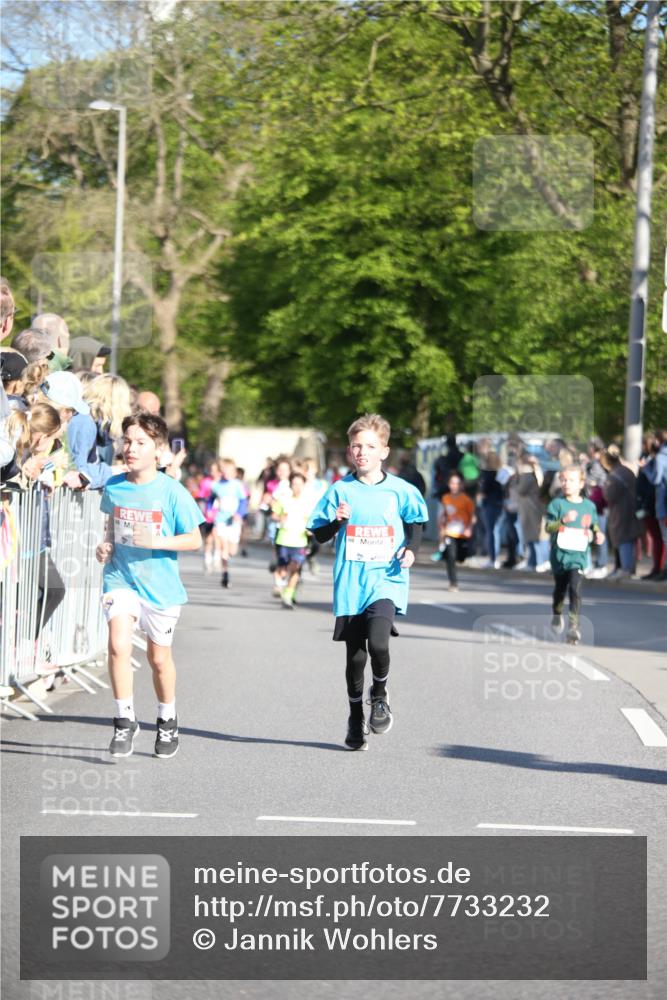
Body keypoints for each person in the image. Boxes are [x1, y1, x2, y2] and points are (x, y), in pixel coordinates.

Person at [308, 413, 428, 751]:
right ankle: (354, 716)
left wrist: (411, 550)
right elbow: (319, 534)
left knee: (378, 643)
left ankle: (379, 695)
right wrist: (336, 522)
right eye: (357, 446)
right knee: (356, 657)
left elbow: (416, 523)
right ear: (350, 451)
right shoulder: (340, 490)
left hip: (386, 578)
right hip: (351, 582)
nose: (362, 452)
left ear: (384, 451)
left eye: (370, 446)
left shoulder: (400, 490)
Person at [95, 412, 204, 759]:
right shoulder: (115, 486)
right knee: (118, 645)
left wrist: (156, 541)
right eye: (127, 441)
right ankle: (124, 720)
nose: (131, 448)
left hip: (160, 587)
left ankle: (167, 718)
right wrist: (105, 545)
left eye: (140, 442)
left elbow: (194, 539)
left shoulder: (172, 491)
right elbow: (110, 527)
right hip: (120, 578)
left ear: (158, 450)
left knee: (159, 659)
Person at [545, 466, 605, 645]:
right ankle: (557, 613)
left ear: (581, 483)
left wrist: (598, 534)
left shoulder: (589, 506)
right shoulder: (557, 504)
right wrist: (563, 521)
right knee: (560, 591)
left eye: (571, 480)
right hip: (560, 556)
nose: (566, 484)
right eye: (563, 480)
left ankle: (574, 626)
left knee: (575, 589)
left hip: (578, 556)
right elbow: (548, 527)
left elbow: (594, 524)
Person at [272, 470, 312, 608]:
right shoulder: (284, 500)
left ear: (304, 485)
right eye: (295, 484)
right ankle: (280, 585)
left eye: (300, 484)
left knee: (296, 568)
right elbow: (274, 515)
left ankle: (288, 595)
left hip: (300, 541)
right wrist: (280, 518)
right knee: (282, 570)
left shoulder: (308, 502)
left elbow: (313, 520)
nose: (297, 487)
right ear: (290, 485)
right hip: (283, 539)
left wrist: (311, 529)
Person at [600, 445, 639, 579]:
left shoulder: (614, 475)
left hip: (620, 511)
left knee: (622, 538)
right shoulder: (627, 471)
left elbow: (609, 495)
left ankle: (625, 568)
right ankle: (628, 568)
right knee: (629, 539)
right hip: (632, 508)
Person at [435, 472, 475, 591]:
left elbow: (473, 517)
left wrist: (469, 528)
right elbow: (443, 515)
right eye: (452, 483)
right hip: (450, 532)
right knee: (451, 557)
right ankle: (453, 583)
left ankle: (461, 558)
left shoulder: (466, 500)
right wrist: (441, 528)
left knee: (460, 557)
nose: (454, 486)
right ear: (449, 484)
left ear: (461, 485)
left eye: (457, 483)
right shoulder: (445, 498)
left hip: (462, 533)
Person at [211, 458, 246, 588]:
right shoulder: (216, 485)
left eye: (229, 470)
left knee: (232, 551)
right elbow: (211, 500)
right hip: (221, 520)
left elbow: (243, 501)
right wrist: (210, 511)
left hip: (234, 520)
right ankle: (225, 574)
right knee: (224, 548)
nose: (226, 473)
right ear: (221, 471)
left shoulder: (237, 485)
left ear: (234, 472)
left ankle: (226, 557)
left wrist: (239, 514)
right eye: (224, 470)